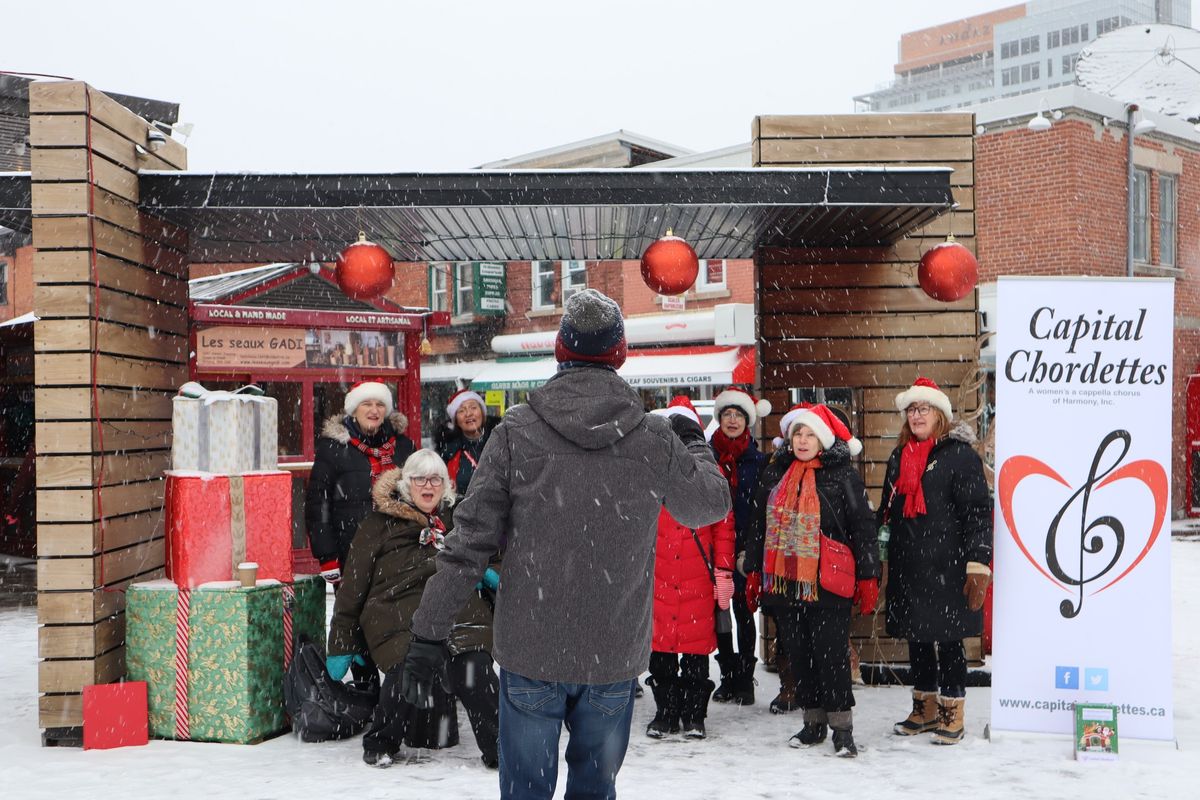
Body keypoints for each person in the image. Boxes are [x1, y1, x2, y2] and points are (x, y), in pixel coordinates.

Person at [401, 288, 731, 799]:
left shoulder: (517, 431)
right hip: (612, 651)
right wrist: (692, 442)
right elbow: (707, 505)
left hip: (532, 648)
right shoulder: (651, 437)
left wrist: (427, 634)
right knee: (594, 790)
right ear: (619, 353)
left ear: (560, 348)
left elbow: (469, 543)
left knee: (526, 792)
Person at [327, 449, 500, 768]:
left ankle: (501, 748)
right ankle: (381, 741)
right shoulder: (378, 524)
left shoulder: (461, 519)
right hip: (397, 613)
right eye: (419, 478)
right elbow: (352, 588)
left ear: (445, 484)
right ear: (406, 483)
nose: (428, 485)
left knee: (475, 670)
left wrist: (489, 572)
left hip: (457, 611)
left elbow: (495, 553)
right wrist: (342, 642)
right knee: (409, 668)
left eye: (435, 478)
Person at [744, 404, 880, 758]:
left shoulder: (842, 476)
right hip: (786, 582)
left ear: (822, 439)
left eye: (809, 434)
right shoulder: (775, 475)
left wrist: (868, 575)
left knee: (831, 656)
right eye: (797, 434)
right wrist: (755, 570)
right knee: (800, 655)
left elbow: (863, 528)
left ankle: (841, 727)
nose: (802, 441)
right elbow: (758, 524)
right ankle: (813, 722)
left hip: (827, 582)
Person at [879, 377, 992, 745]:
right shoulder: (900, 456)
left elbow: (977, 513)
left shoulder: (960, 456)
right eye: (911, 409)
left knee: (948, 640)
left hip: (948, 566)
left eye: (923, 408)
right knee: (918, 638)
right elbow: (888, 512)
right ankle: (924, 708)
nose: (916, 415)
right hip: (910, 565)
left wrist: (978, 564)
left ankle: (951, 712)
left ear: (939, 414)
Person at [305, 380, 415, 684]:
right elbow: (318, 503)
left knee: (398, 616)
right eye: (367, 404)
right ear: (354, 409)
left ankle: (399, 689)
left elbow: (418, 494)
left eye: (380, 404)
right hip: (350, 549)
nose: (374, 410)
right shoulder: (332, 448)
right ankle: (366, 688)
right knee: (355, 620)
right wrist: (326, 556)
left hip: (397, 549)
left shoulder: (403, 446)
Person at [644, 396, 736, 741]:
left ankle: (694, 715)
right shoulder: (650, 470)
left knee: (696, 652)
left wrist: (724, 570)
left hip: (698, 573)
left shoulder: (709, 471)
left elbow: (724, 526)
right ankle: (666, 713)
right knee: (662, 653)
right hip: (659, 575)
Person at [707, 386, 772, 707]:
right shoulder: (707, 456)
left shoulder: (758, 462)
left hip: (745, 548)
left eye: (738, 415)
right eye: (727, 414)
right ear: (719, 419)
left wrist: (752, 549)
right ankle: (727, 677)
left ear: (748, 421)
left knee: (744, 613)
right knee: (719, 614)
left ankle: (745, 680)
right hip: (714, 548)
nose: (732, 420)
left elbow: (762, 510)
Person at [436, 388, 501, 497]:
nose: (468, 414)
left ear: (482, 413)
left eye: (473, 407)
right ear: (456, 420)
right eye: (461, 410)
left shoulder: (501, 443)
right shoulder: (449, 453)